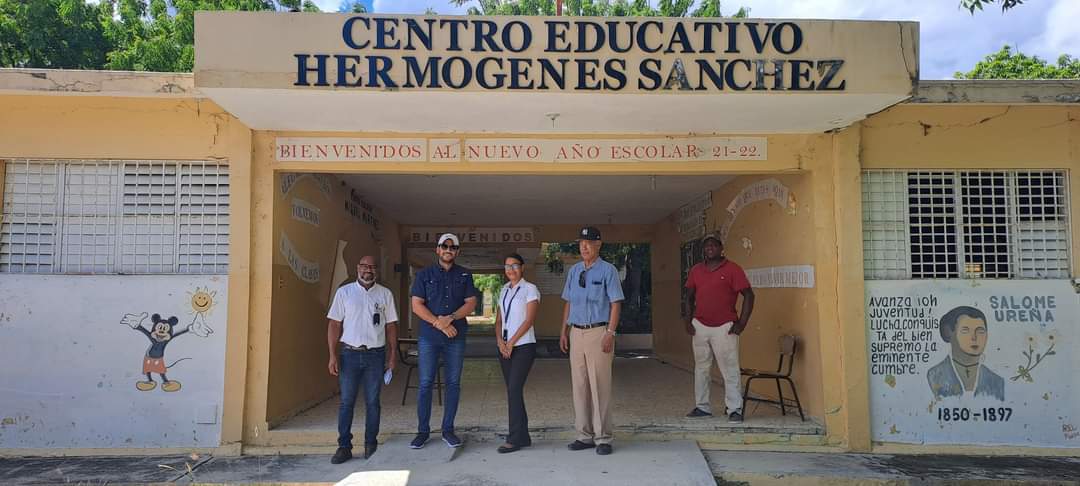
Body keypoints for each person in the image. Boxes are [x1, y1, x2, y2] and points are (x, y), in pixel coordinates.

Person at [409, 233, 479, 449]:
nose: (448, 249)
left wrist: (451, 319)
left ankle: (448, 430)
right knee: (425, 384)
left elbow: (471, 303)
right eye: (444, 246)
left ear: (457, 251)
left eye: (453, 246)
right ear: (437, 249)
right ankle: (422, 432)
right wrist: (438, 323)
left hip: (455, 337)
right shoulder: (423, 274)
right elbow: (417, 305)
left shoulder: (465, 275)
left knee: (453, 384)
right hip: (429, 337)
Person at [326, 255, 398, 463]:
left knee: (373, 402)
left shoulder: (385, 294)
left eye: (373, 266)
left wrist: (393, 356)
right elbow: (334, 325)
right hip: (349, 354)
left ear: (377, 271)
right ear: (357, 268)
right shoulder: (344, 293)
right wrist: (332, 355)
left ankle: (370, 444)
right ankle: (344, 446)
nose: (369, 269)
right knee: (347, 402)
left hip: (376, 355)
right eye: (365, 266)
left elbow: (391, 326)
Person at [560, 226, 625, 456]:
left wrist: (610, 332)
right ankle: (584, 435)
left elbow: (616, 303)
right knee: (579, 386)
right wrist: (563, 331)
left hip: (599, 332)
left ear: (599, 244)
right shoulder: (574, 270)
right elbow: (568, 301)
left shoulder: (608, 270)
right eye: (581, 243)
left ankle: (603, 438)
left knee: (600, 386)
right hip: (576, 332)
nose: (584, 247)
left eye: (588, 242)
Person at [683, 234, 754, 423]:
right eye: (706, 246)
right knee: (701, 368)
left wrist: (742, 323)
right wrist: (688, 321)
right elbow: (689, 297)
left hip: (725, 327)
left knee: (729, 369)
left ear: (721, 248)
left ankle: (734, 409)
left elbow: (749, 295)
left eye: (714, 245)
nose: (710, 248)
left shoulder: (732, 269)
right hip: (700, 326)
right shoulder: (696, 270)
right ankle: (702, 407)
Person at [494, 253, 541, 454]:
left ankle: (514, 439)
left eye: (514, 265)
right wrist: (500, 341)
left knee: (514, 389)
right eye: (507, 266)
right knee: (513, 392)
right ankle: (523, 436)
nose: (510, 269)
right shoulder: (503, 290)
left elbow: (529, 320)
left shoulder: (530, 289)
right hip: (504, 347)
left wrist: (511, 342)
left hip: (523, 346)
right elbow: (498, 320)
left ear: (522, 268)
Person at [926, 306, 1004, 401]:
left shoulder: (996, 381)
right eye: (965, 331)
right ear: (948, 333)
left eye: (980, 331)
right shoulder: (934, 375)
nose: (974, 337)